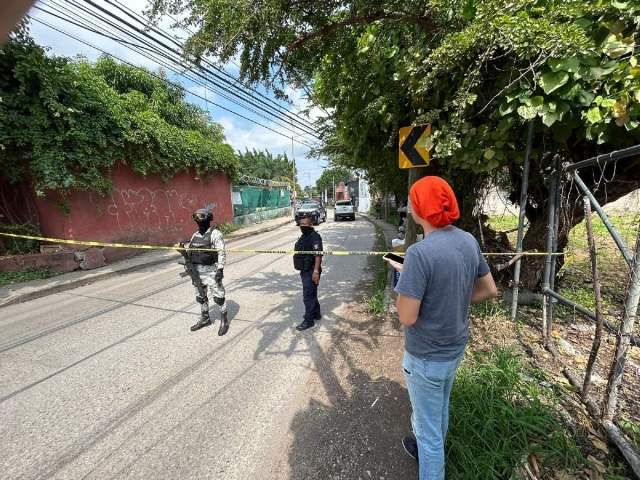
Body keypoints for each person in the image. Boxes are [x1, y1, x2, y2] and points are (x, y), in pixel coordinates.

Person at [389, 176, 497, 480]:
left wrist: (405, 276)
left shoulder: (420, 253)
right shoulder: (467, 241)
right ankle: (429, 458)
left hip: (425, 357)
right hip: (454, 350)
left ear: (420, 209)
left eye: (412, 200)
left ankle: (431, 466)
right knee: (440, 413)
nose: (410, 205)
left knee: (427, 433)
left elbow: (407, 317)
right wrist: (454, 303)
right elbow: (489, 289)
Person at [182, 208, 230, 336]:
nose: (199, 221)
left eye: (202, 218)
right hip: (197, 273)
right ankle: (205, 318)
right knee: (200, 297)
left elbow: (221, 253)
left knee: (219, 298)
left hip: (212, 272)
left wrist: (220, 269)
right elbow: (191, 252)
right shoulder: (195, 235)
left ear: (208, 218)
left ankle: (224, 320)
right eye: (196, 218)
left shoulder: (215, 234)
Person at [292, 215, 323, 331]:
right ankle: (316, 313)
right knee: (311, 292)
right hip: (305, 270)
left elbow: (318, 255)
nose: (302, 226)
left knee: (308, 296)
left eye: (305, 224)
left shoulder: (315, 237)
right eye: (301, 224)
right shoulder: (304, 236)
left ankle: (309, 320)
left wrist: (315, 271)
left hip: (311, 270)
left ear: (311, 225)